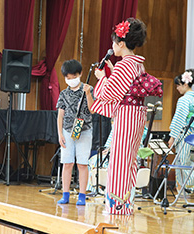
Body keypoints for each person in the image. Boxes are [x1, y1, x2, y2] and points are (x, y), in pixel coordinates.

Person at [92, 18, 148, 215]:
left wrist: (102, 79)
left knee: (118, 162)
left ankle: (117, 207)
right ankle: (125, 204)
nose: (112, 46)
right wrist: (112, 75)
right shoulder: (137, 65)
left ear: (121, 43)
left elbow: (108, 94)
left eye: (114, 42)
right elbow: (124, 89)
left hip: (127, 117)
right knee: (129, 161)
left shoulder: (126, 65)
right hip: (136, 116)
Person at [56, 59, 95, 205]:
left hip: (84, 130)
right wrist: (60, 134)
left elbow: (92, 110)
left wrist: (89, 94)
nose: (71, 80)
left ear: (80, 74)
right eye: (68, 78)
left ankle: (82, 195)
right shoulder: (63, 94)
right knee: (67, 163)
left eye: (73, 77)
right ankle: (65, 194)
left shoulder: (88, 89)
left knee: (82, 164)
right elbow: (60, 115)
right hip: (67, 131)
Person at [168, 69, 194, 193]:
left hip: (187, 135)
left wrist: (172, 137)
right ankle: (187, 188)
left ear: (185, 84)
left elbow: (179, 120)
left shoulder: (184, 100)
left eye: (178, 85)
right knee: (188, 161)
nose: (177, 88)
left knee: (182, 162)